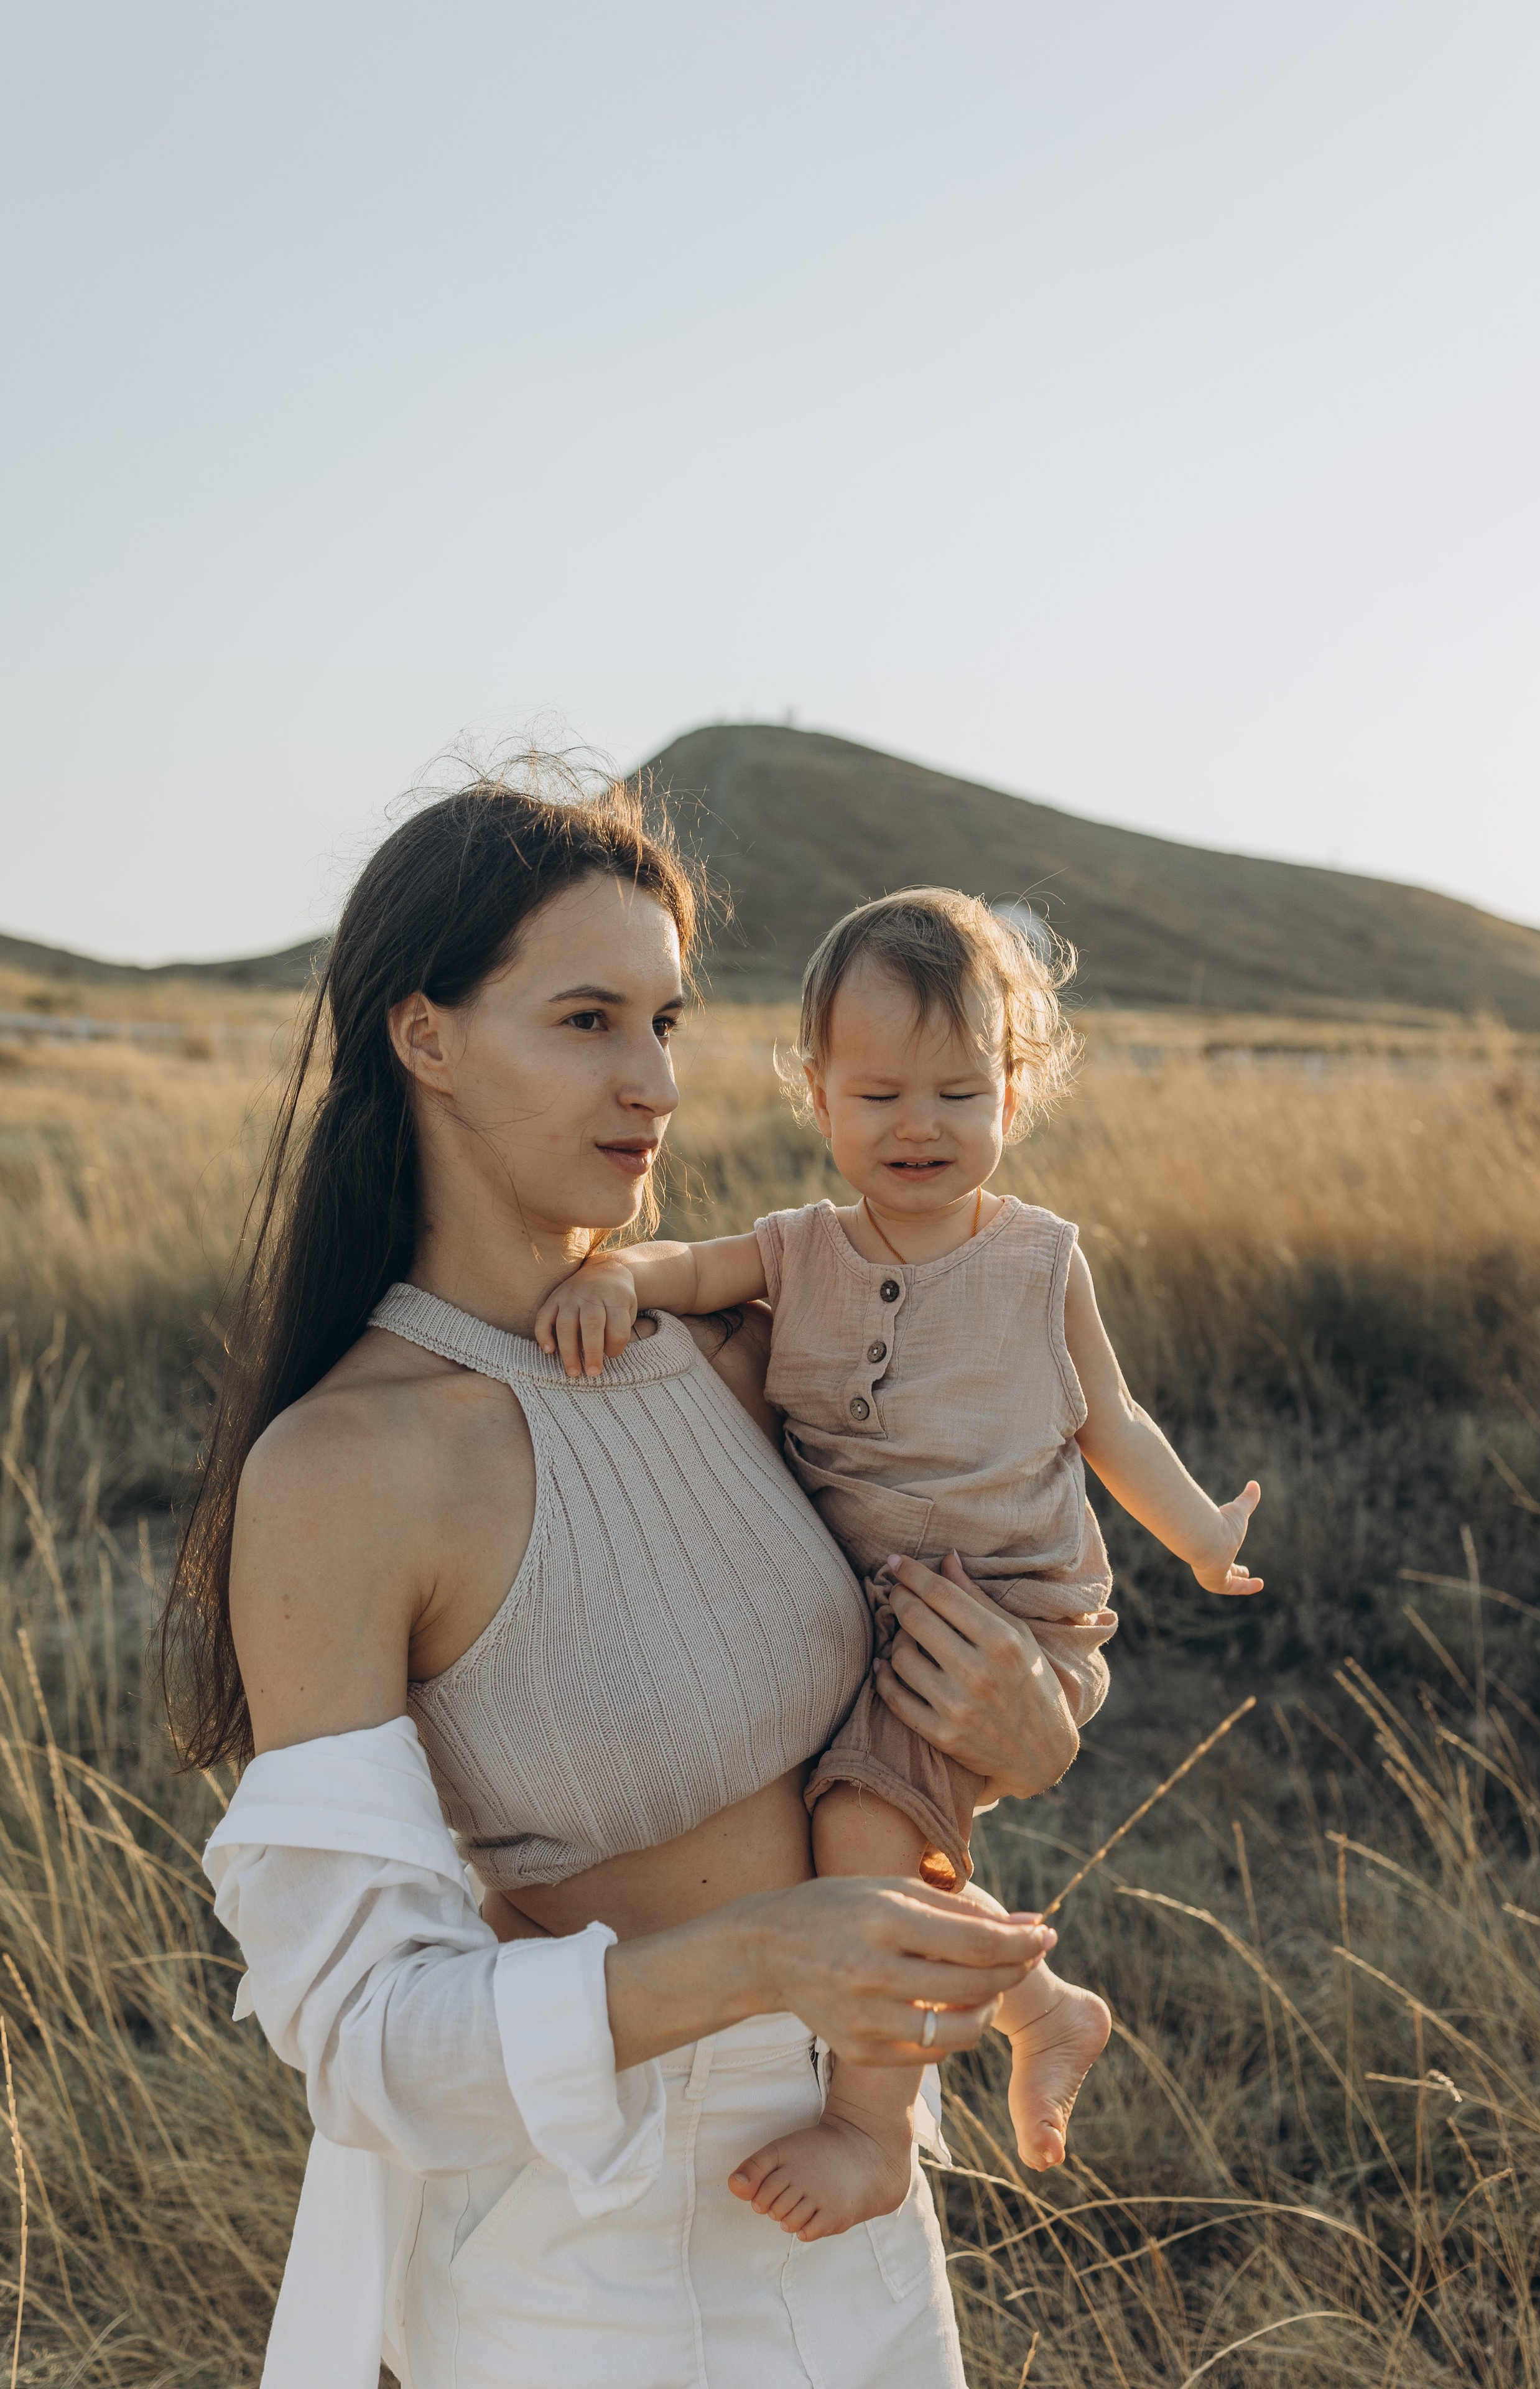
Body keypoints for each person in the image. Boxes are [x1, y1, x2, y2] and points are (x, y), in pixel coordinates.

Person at [164, 767, 1080, 2389]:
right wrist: (762, 1959)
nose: (654, 1081)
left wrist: (1026, 1733)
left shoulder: (733, 1351)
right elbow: (366, 2050)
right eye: (588, 1020)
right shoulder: (345, 1471)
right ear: (423, 1033)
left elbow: (903, 1722)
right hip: (587, 2259)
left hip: (857, 2192)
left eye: (669, 1022)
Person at [535, 885, 1265, 2243]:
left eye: (955, 1090)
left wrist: (1202, 1537)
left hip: (1003, 1616)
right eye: (877, 1095)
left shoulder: (1040, 1262)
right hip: (873, 1621)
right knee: (863, 1832)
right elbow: (690, 1269)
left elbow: (1113, 1425)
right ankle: (1037, 2000)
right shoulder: (796, 1252)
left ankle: (871, 2131)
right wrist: (616, 1282)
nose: (917, 1126)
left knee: (862, 1830)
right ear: (815, 1095)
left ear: (1014, 1087)